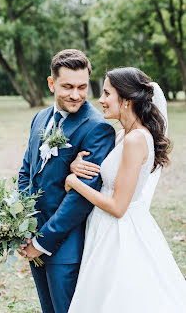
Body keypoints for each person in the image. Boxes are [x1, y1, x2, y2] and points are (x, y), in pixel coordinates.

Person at [65, 67, 186, 313]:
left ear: (126, 100)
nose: (100, 100)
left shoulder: (135, 140)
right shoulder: (123, 135)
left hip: (120, 233)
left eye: (107, 93)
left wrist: (74, 183)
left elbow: (118, 207)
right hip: (104, 228)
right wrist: (76, 166)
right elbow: (106, 176)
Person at [18, 49, 115, 313]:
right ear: (51, 84)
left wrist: (42, 241)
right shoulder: (39, 118)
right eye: (67, 86)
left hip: (65, 247)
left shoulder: (97, 127)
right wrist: (23, 222)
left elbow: (81, 197)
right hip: (32, 236)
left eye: (82, 87)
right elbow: (27, 170)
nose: (76, 95)